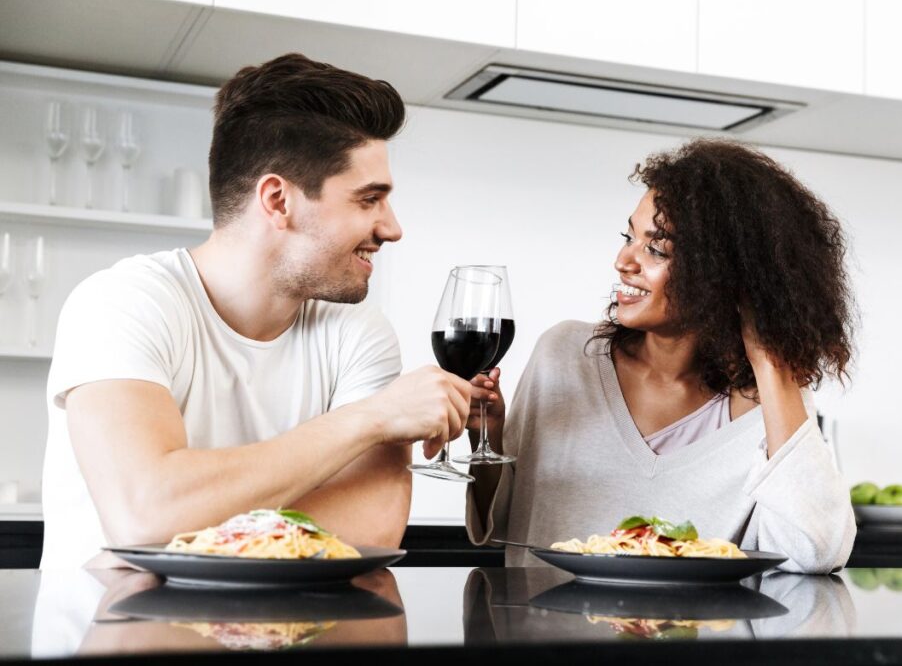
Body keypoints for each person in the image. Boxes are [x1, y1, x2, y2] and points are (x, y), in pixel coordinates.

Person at [40, 53, 475, 569]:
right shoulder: (122, 303)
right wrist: (371, 419)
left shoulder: (358, 331)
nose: (391, 227)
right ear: (277, 200)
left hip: (296, 642)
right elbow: (145, 515)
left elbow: (370, 528)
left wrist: (183, 519)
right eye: (368, 199)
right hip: (119, 642)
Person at [466, 138, 857, 573]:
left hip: (688, 640)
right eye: (628, 237)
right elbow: (501, 523)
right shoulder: (563, 356)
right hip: (547, 636)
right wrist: (487, 438)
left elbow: (817, 551)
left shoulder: (768, 407)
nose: (623, 261)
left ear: (723, 274)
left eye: (656, 248)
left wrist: (770, 363)